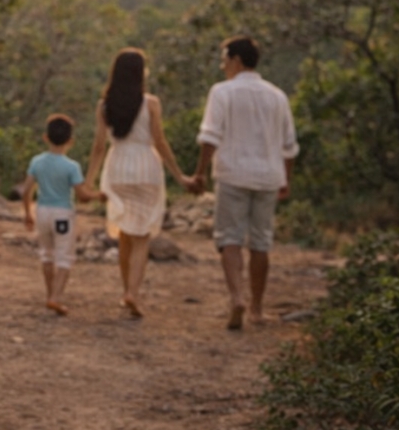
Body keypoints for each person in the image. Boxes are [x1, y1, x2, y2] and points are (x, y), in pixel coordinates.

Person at [189, 35, 298, 331]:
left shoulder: (222, 92)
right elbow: (289, 145)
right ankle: (257, 308)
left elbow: (210, 136)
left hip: (232, 174)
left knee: (229, 239)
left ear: (236, 61)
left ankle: (237, 297)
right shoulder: (277, 95)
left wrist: (200, 172)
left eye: (224, 60)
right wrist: (285, 179)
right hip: (267, 177)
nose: (223, 66)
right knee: (261, 242)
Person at [85, 48, 193, 318]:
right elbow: (160, 141)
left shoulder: (104, 106)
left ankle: (126, 291)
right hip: (146, 167)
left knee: (124, 233)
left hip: (118, 168)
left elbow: (99, 146)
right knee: (141, 236)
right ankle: (133, 292)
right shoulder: (151, 103)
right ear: (141, 73)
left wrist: (88, 182)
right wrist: (179, 175)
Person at [21, 114, 103, 316]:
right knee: (64, 257)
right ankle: (56, 298)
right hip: (63, 214)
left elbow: (26, 191)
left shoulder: (37, 162)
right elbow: (82, 194)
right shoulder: (71, 166)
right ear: (70, 141)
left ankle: (51, 295)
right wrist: (99, 196)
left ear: (45, 137)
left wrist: (27, 213)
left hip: (42, 212)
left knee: (46, 255)